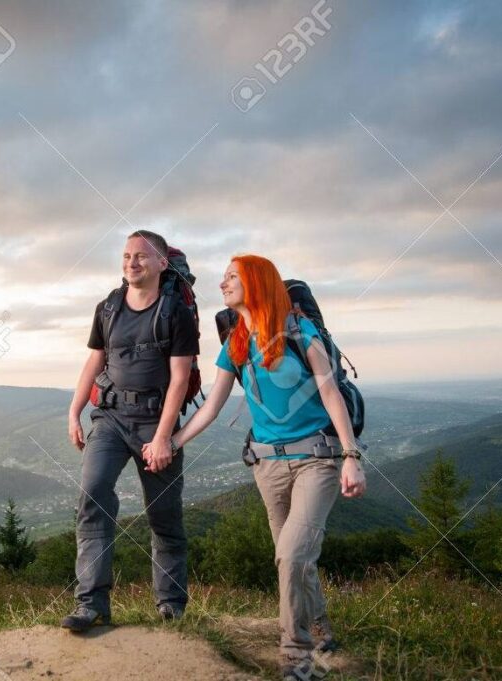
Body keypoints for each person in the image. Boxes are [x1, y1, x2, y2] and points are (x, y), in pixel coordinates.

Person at [145, 254, 366, 679]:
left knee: (292, 554)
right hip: (266, 466)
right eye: (224, 277)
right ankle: (321, 630)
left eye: (233, 277)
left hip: (316, 461)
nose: (223, 283)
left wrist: (352, 457)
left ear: (258, 283)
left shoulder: (301, 333)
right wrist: (171, 440)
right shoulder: (237, 343)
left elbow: (333, 396)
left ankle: (296, 658)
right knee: (292, 559)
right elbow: (212, 406)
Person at [61, 229, 200, 632]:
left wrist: (162, 437)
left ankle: (171, 606)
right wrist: (73, 412)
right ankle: (92, 604)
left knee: (163, 516)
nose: (131, 263)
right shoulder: (108, 307)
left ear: (161, 262)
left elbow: (180, 378)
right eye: (125, 256)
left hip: (156, 423)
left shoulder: (175, 312)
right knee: (92, 497)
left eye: (141, 256)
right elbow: (93, 362)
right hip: (109, 418)